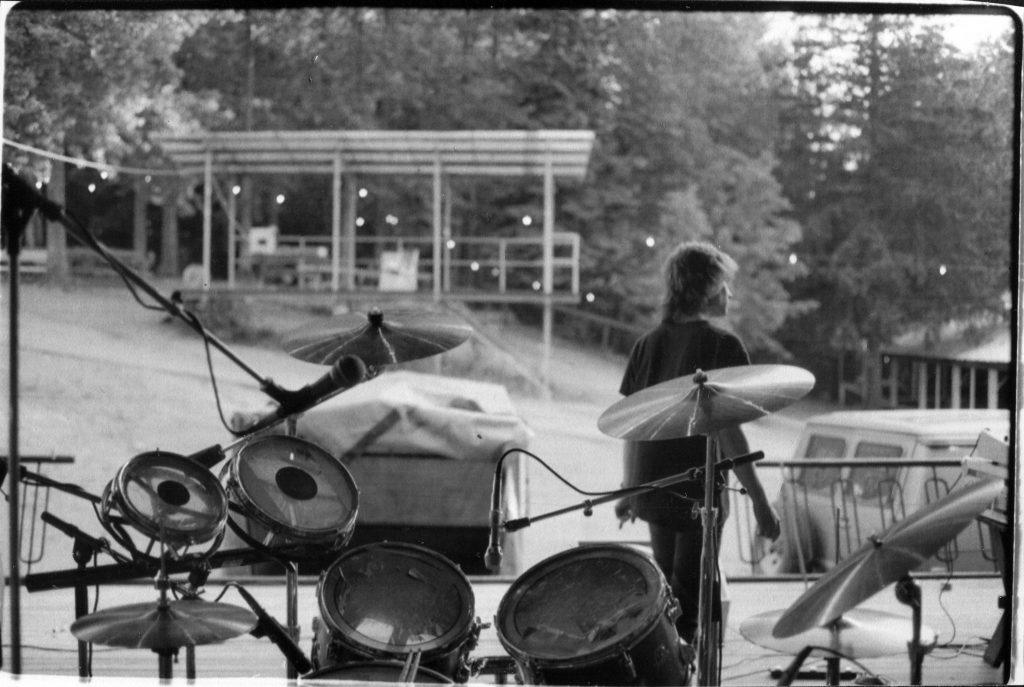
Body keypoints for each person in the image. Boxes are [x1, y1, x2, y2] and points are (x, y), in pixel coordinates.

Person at [614, 240, 781, 646]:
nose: (730, 294)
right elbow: (729, 431)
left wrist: (628, 488)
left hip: (652, 489)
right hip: (697, 496)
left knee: (667, 598)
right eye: (725, 285)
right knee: (688, 605)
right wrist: (760, 502)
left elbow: (634, 426)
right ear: (706, 289)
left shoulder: (646, 345)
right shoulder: (722, 345)